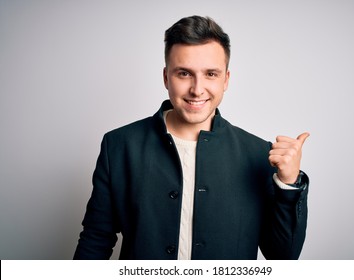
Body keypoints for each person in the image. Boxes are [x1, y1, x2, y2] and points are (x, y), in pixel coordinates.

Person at [74, 15, 310, 260]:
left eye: (211, 74)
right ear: (166, 77)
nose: (197, 89)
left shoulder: (259, 154)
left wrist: (289, 183)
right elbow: (96, 240)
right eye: (184, 73)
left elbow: (283, 257)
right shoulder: (119, 146)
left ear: (226, 80)